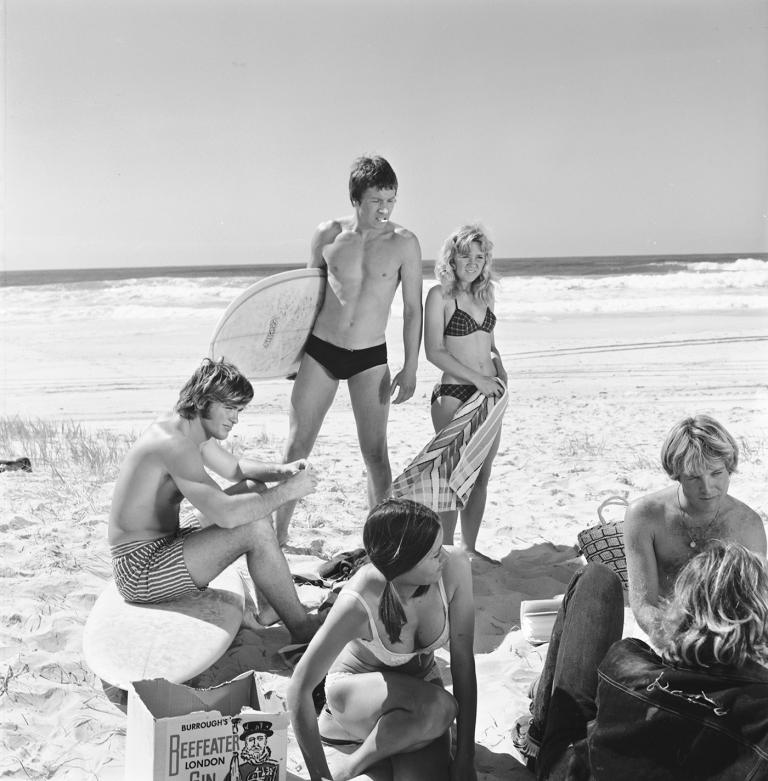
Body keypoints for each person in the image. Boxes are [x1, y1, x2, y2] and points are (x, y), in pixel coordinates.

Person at [108, 358, 320, 644]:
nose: (235, 419)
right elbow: (227, 517)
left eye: (239, 410)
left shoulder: (188, 429)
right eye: (230, 408)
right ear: (203, 401)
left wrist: (283, 472)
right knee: (253, 527)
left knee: (254, 489)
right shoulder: (175, 445)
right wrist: (288, 491)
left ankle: (270, 609)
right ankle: (303, 629)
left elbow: (234, 469)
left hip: (166, 542)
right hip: (140, 569)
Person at [514, 543, 768, 780]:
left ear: (681, 609)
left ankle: (537, 733)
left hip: (577, 773)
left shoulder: (624, 664)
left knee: (595, 578)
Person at [274, 155, 423, 545]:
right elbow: (307, 296)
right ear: (356, 198)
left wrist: (411, 368)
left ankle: (379, 540)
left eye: (391, 199)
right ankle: (277, 534)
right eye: (377, 200)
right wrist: (293, 354)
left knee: (375, 453)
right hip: (322, 351)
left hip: (370, 358)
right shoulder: (329, 234)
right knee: (297, 445)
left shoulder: (405, 244)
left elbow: (412, 310)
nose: (385, 209)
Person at [287, 499, 478, 781]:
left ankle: (383, 745)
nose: (445, 557)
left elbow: (463, 662)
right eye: (435, 553)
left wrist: (465, 757)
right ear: (402, 562)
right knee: (443, 707)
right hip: (356, 694)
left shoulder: (455, 569)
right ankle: (350, 768)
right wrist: (320, 777)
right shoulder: (360, 599)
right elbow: (298, 688)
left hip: (421, 700)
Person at [624, 414, 766, 642]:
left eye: (717, 473)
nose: (707, 488)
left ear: (729, 468)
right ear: (677, 475)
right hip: (662, 636)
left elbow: (753, 607)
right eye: (694, 477)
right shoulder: (644, 516)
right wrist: (677, 642)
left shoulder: (747, 524)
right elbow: (643, 605)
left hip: (726, 642)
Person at [423, 224, 506, 559]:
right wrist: (479, 380)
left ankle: (469, 549)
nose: (472, 261)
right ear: (451, 258)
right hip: (454, 394)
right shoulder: (439, 295)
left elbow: (489, 344)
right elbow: (434, 351)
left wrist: (499, 366)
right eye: (465, 254)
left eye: (479, 255)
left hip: (490, 395)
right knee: (455, 479)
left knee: (482, 476)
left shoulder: (485, 295)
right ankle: (444, 553)